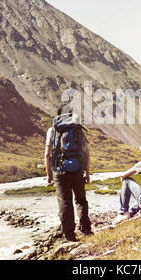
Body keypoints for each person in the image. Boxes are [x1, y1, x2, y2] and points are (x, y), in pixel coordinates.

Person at [44, 104, 92, 242]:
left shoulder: (53, 130)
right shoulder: (77, 129)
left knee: (65, 202)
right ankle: (86, 229)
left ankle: (70, 235)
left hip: (60, 171)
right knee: (81, 200)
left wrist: (49, 176)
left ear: (58, 114)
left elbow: (47, 154)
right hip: (77, 170)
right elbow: (86, 152)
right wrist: (87, 173)